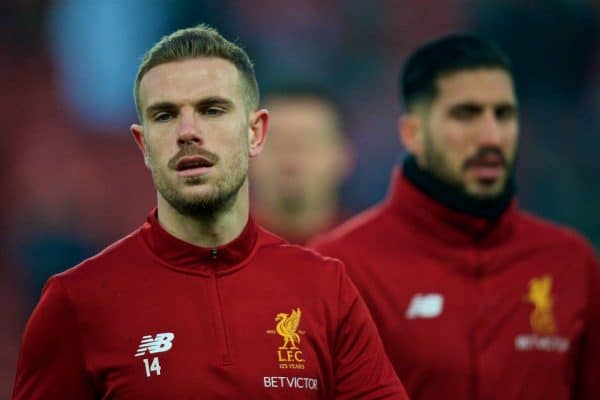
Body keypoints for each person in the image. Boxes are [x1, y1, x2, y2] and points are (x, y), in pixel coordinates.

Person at [12, 25, 408, 399]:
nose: (188, 131)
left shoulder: (327, 288)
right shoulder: (77, 301)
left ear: (255, 134)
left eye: (212, 110)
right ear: (143, 144)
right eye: (165, 115)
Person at [310, 34, 600, 400]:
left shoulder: (570, 263)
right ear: (413, 134)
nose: (491, 136)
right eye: (466, 115)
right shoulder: (339, 269)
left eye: (504, 114)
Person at [250, 87, 353, 244]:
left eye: (309, 143)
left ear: (342, 157)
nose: (292, 157)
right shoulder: (209, 253)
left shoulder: (373, 255)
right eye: (277, 142)